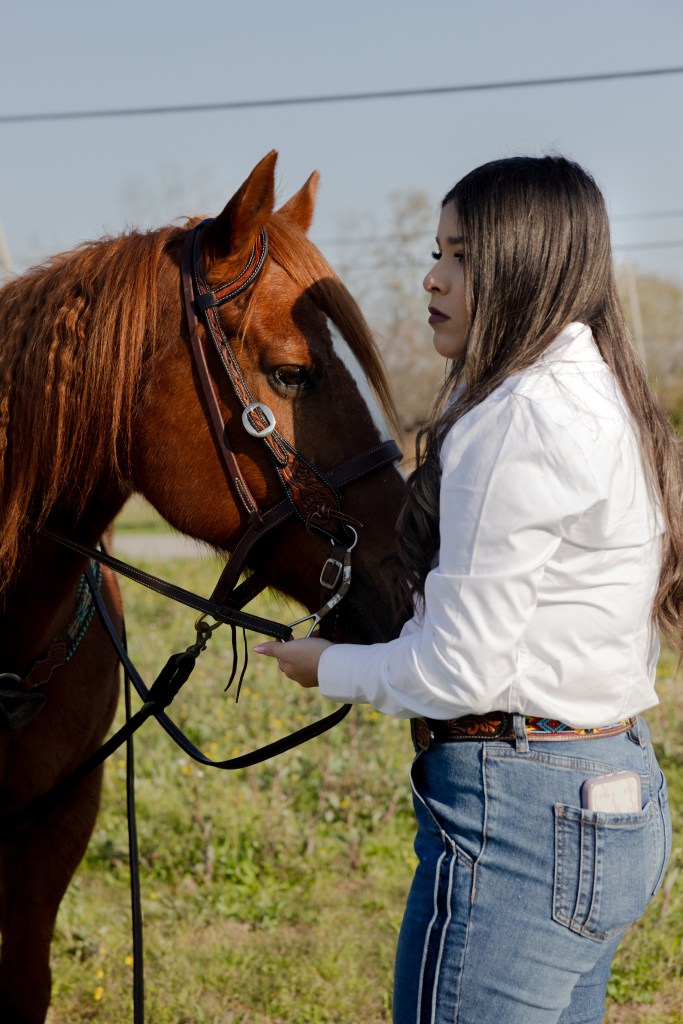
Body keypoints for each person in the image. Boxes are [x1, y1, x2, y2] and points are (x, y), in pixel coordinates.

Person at [254, 155, 681, 1024]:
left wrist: (326, 666)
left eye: (460, 256)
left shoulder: (516, 416)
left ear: (526, 263)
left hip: (525, 820)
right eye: (436, 253)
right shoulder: (604, 392)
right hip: (610, 788)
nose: (432, 278)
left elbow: (459, 671)